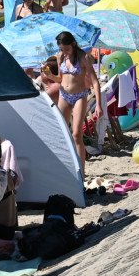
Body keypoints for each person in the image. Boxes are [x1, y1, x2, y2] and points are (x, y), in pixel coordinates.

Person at [45, 31, 102, 178]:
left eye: (67, 49)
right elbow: (61, 79)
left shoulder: (83, 58)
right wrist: (50, 76)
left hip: (79, 96)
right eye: (62, 49)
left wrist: (99, 105)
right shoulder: (61, 57)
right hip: (64, 95)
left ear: (74, 44)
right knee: (61, 133)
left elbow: (95, 81)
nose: (64, 52)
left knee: (76, 134)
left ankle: (82, 173)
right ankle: (65, 167)